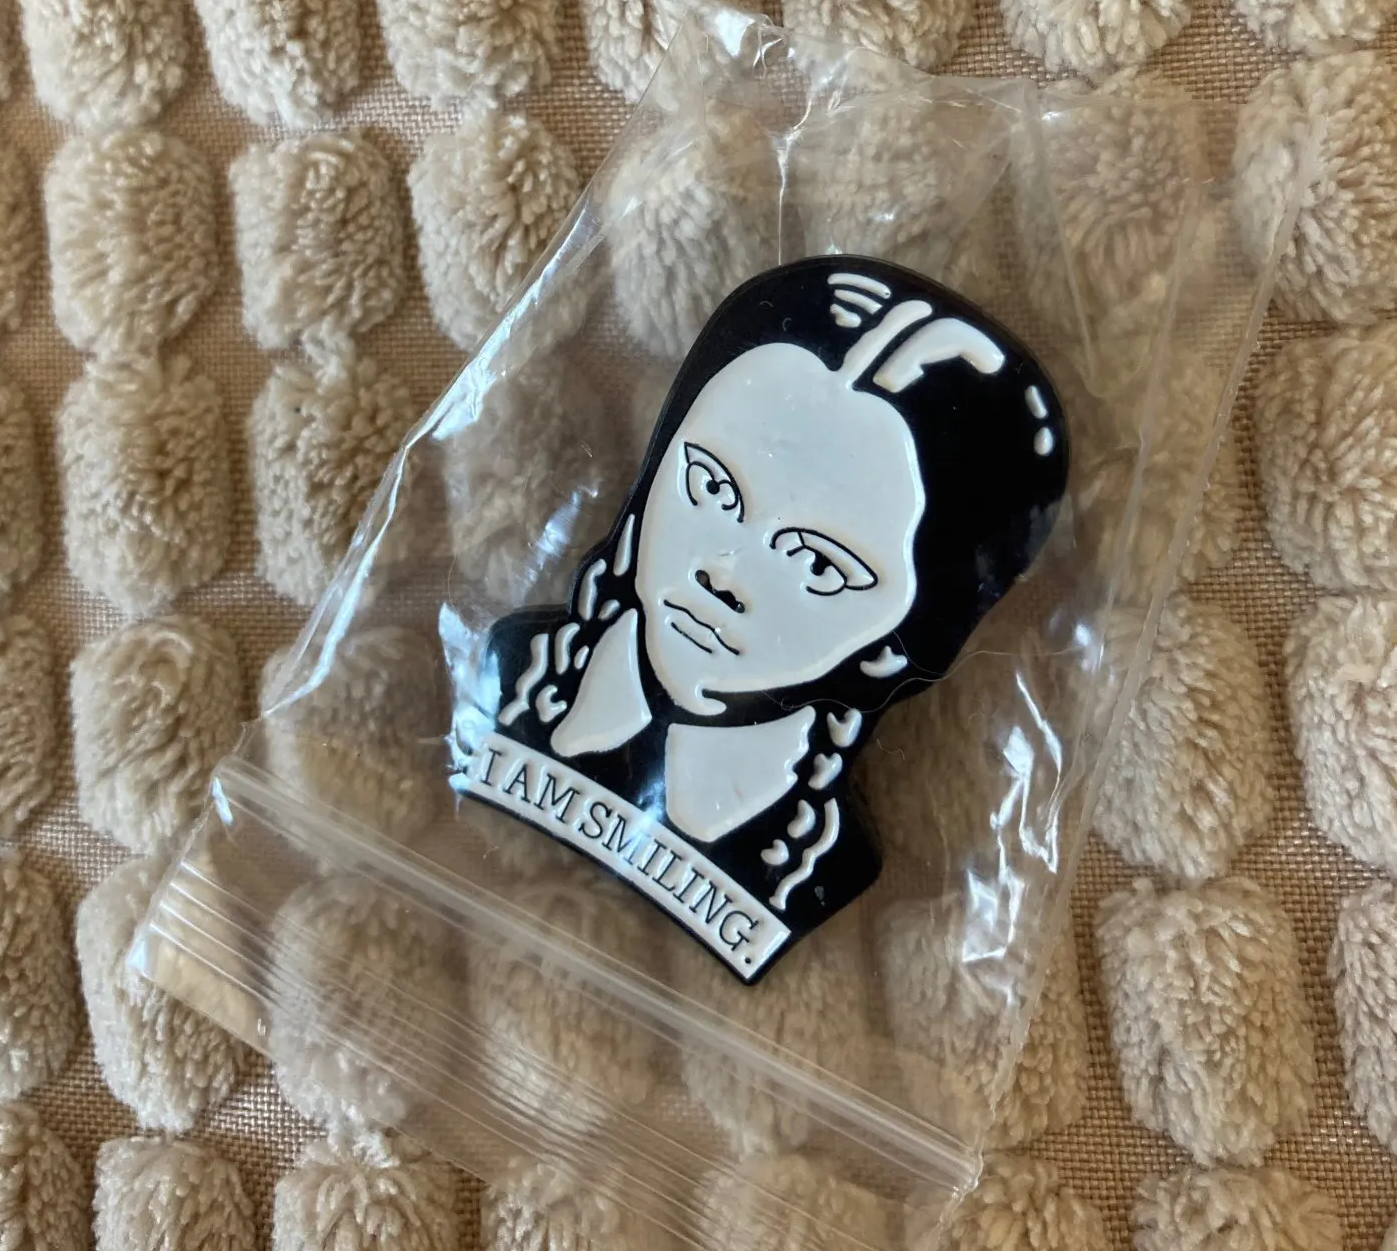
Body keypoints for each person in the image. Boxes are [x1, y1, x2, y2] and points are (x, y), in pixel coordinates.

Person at [454, 257, 1069, 975]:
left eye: (817, 565)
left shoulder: (818, 858)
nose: (724, 575)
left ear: (901, 644)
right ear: (655, 467)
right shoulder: (514, 679)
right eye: (712, 487)